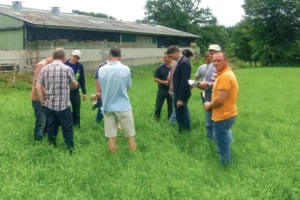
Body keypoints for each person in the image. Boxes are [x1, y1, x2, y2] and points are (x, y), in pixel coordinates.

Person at [36, 48, 78, 153]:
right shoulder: (67, 69)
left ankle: (52, 147)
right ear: (64, 58)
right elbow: (74, 84)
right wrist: (75, 84)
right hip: (64, 106)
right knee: (67, 129)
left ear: (53, 57)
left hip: (49, 105)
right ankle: (70, 150)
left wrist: (42, 102)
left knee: (52, 128)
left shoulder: (44, 69)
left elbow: (37, 86)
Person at [98, 46, 137, 153]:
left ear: (109, 55)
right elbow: (128, 86)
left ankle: (112, 158)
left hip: (107, 106)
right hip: (123, 106)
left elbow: (102, 87)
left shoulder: (101, 69)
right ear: (120, 56)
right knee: (130, 135)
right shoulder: (126, 69)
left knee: (111, 136)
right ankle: (134, 158)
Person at [204, 52, 239, 165]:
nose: (216, 63)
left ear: (226, 61)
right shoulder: (224, 73)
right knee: (222, 139)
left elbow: (220, 100)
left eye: (219, 60)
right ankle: (230, 152)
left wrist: (208, 105)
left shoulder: (225, 76)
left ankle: (226, 167)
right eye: (214, 60)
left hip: (223, 116)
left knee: (222, 148)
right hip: (227, 113)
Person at [197, 44, 221, 140]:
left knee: (219, 124)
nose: (212, 55)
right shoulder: (210, 66)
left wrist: (207, 84)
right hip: (207, 97)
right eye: (210, 53)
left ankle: (219, 143)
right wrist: (200, 85)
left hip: (217, 99)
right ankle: (211, 142)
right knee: (208, 123)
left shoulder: (221, 67)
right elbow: (207, 80)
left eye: (214, 53)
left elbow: (222, 84)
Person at [166, 46, 192, 133]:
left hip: (181, 94)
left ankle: (183, 133)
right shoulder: (180, 61)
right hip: (178, 93)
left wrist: (180, 99)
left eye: (171, 56)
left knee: (181, 115)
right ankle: (187, 131)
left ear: (176, 53)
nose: (171, 59)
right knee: (183, 114)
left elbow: (184, 82)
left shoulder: (183, 62)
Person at [30, 57, 53, 141]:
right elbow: (37, 83)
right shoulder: (42, 65)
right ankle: (38, 139)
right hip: (38, 98)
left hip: (46, 98)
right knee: (41, 120)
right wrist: (48, 92)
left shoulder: (50, 65)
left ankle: (45, 135)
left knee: (47, 118)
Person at [65, 50, 86, 128]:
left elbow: (82, 79)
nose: (75, 59)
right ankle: (67, 125)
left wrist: (84, 92)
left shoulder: (80, 66)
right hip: (66, 92)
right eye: (74, 56)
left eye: (77, 57)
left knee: (76, 109)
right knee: (66, 110)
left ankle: (77, 125)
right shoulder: (64, 65)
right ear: (71, 56)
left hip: (76, 91)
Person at [153, 53, 173, 120]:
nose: (164, 59)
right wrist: (164, 82)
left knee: (171, 107)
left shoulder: (174, 67)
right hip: (162, 90)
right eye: (163, 57)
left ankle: (170, 120)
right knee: (158, 106)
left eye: (165, 57)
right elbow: (155, 78)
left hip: (171, 90)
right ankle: (156, 119)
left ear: (170, 58)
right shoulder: (159, 68)